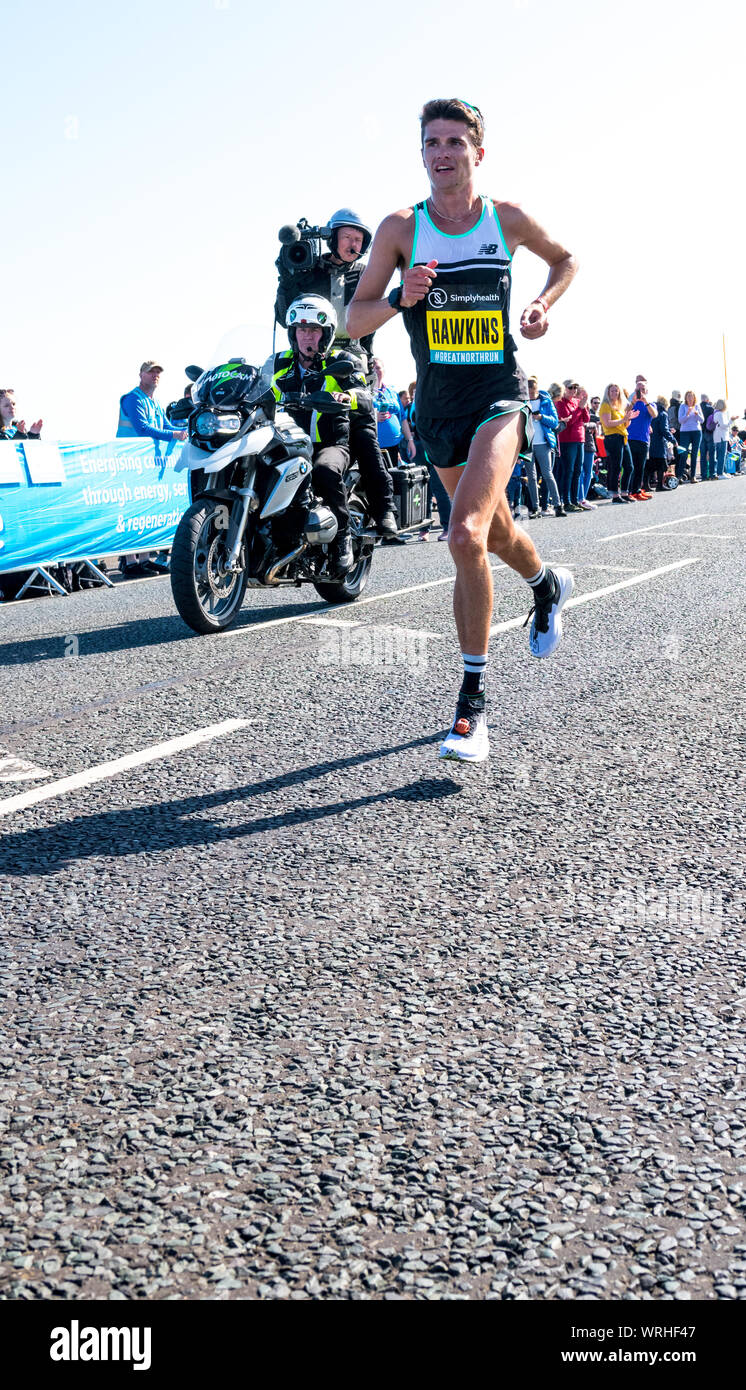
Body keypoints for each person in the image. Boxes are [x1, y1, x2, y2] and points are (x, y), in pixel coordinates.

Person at [347, 96, 577, 763]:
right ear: (422, 153)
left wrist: (539, 302)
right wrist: (398, 298)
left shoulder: (505, 220)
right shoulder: (400, 229)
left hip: (499, 395)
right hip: (437, 407)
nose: (442, 153)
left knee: (464, 532)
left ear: (479, 151)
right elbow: (350, 322)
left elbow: (566, 261)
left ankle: (471, 708)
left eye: (455, 141)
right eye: (431, 143)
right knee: (495, 531)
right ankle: (546, 584)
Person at [275, 210, 398, 540]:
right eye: (348, 237)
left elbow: (377, 310)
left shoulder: (365, 273)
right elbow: (284, 313)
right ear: (333, 237)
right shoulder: (309, 268)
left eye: (359, 240)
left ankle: (384, 508)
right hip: (307, 351)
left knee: (363, 430)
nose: (354, 244)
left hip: (351, 358)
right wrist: (286, 273)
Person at [269, 294, 365, 576]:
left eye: (313, 330)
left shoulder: (340, 360)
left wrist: (345, 397)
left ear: (325, 334)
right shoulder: (278, 363)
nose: (306, 336)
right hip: (288, 443)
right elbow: (258, 389)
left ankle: (342, 538)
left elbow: (365, 395)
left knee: (323, 470)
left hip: (331, 442)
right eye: (301, 329)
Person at [117, 361, 186, 576]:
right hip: (130, 463)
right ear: (141, 375)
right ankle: (130, 562)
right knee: (132, 510)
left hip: (145, 465)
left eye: (158, 372)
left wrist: (188, 429)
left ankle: (145, 558)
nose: (155, 375)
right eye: (151, 372)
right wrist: (175, 435)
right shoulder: (132, 398)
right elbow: (143, 428)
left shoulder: (154, 402)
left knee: (145, 510)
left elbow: (166, 426)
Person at [527, 376, 564, 517]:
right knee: (531, 477)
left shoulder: (546, 401)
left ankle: (557, 505)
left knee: (548, 474)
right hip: (528, 444)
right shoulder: (522, 402)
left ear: (537, 390)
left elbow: (555, 422)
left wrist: (541, 417)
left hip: (543, 442)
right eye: (528, 393)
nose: (530, 395)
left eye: (532, 393)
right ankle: (535, 508)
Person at [371, 358, 415, 468]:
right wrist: (374, 416)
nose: (375, 371)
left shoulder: (392, 392)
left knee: (395, 479)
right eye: (371, 368)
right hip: (374, 446)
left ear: (384, 370)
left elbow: (403, 418)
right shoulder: (365, 392)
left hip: (395, 446)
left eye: (378, 368)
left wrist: (410, 440)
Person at [555, 379, 588, 511]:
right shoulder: (560, 403)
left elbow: (586, 419)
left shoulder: (576, 401)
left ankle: (575, 500)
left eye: (575, 387)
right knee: (568, 471)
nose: (573, 390)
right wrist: (579, 408)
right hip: (567, 440)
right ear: (564, 388)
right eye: (570, 387)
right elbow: (568, 422)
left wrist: (584, 405)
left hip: (580, 439)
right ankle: (566, 501)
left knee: (577, 471)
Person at [599, 384, 635, 502]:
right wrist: (624, 419)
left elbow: (624, 425)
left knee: (629, 467)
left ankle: (624, 492)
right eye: (612, 391)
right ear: (608, 392)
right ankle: (615, 495)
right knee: (616, 467)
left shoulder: (619, 406)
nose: (615, 393)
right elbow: (608, 423)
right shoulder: (605, 405)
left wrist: (628, 418)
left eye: (617, 391)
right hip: (612, 438)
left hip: (622, 437)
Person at [626, 376, 656, 500]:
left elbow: (654, 415)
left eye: (643, 389)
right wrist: (633, 401)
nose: (641, 391)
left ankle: (636, 490)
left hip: (643, 439)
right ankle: (628, 491)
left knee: (640, 467)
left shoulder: (651, 404)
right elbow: (624, 412)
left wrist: (645, 401)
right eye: (639, 389)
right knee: (630, 466)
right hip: (630, 437)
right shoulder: (630, 402)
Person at [647, 395, 678, 491]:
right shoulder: (663, 414)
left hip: (650, 441)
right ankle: (660, 485)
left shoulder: (652, 412)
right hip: (659, 443)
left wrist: (668, 429)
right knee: (662, 465)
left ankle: (646, 486)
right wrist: (673, 440)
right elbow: (663, 430)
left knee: (649, 466)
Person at [678, 390, 703, 482]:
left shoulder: (697, 406)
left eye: (691, 396)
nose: (690, 398)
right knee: (683, 453)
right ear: (685, 398)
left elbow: (702, 420)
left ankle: (693, 476)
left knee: (694, 454)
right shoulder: (682, 406)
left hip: (696, 431)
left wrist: (697, 414)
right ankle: (679, 476)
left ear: (694, 398)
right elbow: (680, 420)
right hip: (685, 432)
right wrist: (687, 414)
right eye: (688, 396)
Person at [699, 394, 716, 480]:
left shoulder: (698, 407)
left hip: (700, 433)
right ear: (707, 399)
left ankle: (703, 475)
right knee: (711, 454)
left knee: (702, 455)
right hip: (709, 433)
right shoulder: (711, 408)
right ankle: (712, 474)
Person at [712, 399, 730, 478]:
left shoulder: (715, 413)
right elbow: (723, 425)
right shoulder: (720, 414)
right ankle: (720, 473)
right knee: (722, 455)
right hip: (722, 437)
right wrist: (731, 421)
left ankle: (721, 472)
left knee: (720, 455)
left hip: (717, 436)